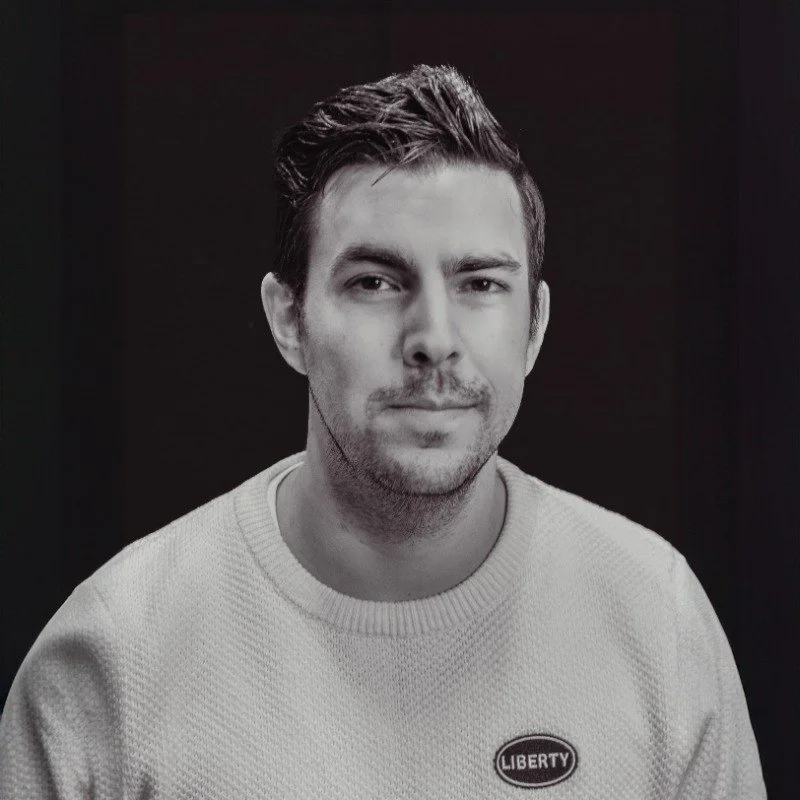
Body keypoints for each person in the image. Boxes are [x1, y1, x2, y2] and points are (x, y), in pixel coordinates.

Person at [0, 64, 766, 799]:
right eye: (375, 282)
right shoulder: (116, 654)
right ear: (289, 320)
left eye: (479, 284)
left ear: (533, 327)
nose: (433, 336)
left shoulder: (654, 618)